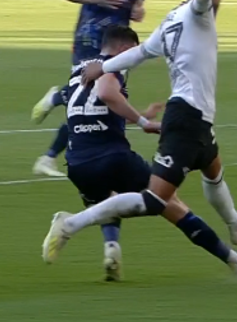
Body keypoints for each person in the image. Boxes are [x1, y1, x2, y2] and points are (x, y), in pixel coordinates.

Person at [42, 0, 237, 277]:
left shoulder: (171, 20)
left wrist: (103, 68)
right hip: (187, 114)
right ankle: (70, 224)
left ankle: (235, 223)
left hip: (198, 117)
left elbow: (140, 54)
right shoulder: (197, 11)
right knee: (154, 200)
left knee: (212, 169)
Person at [31, 0, 148, 177]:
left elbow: (138, 0)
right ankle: (50, 155)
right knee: (90, 100)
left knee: (94, 104)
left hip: (119, 46)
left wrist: (138, 10)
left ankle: (57, 103)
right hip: (90, 36)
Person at [63, 24, 163, 281]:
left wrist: (141, 114)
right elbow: (107, 94)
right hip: (111, 154)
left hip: (78, 160)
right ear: (124, 48)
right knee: (161, 197)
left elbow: (98, 109)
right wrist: (145, 123)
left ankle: (111, 248)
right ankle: (231, 252)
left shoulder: (82, 68)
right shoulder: (113, 67)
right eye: (133, 52)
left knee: (106, 199)